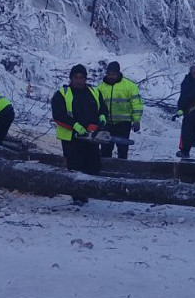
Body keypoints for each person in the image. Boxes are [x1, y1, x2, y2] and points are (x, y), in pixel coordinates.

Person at [51, 64, 107, 205]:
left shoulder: (94, 92)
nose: (79, 80)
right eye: (76, 77)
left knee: (93, 165)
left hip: (91, 136)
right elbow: (58, 114)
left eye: (81, 77)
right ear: (71, 78)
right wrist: (74, 125)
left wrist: (102, 118)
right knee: (75, 167)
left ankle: (88, 192)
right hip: (71, 137)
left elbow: (103, 109)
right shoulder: (62, 93)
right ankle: (77, 196)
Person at [97, 60, 143, 159]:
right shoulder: (101, 87)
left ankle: (122, 168)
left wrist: (136, 120)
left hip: (123, 124)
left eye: (113, 74)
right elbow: (97, 105)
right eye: (109, 74)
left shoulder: (129, 86)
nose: (110, 76)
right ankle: (105, 168)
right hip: (106, 123)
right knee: (105, 149)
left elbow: (136, 105)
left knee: (122, 150)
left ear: (118, 73)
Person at [173, 64, 195, 156]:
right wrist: (181, 108)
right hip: (188, 108)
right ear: (192, 71)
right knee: (186, 129)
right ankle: (184, 148)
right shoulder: (187, 81)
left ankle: (194, 140)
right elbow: (184, 96)